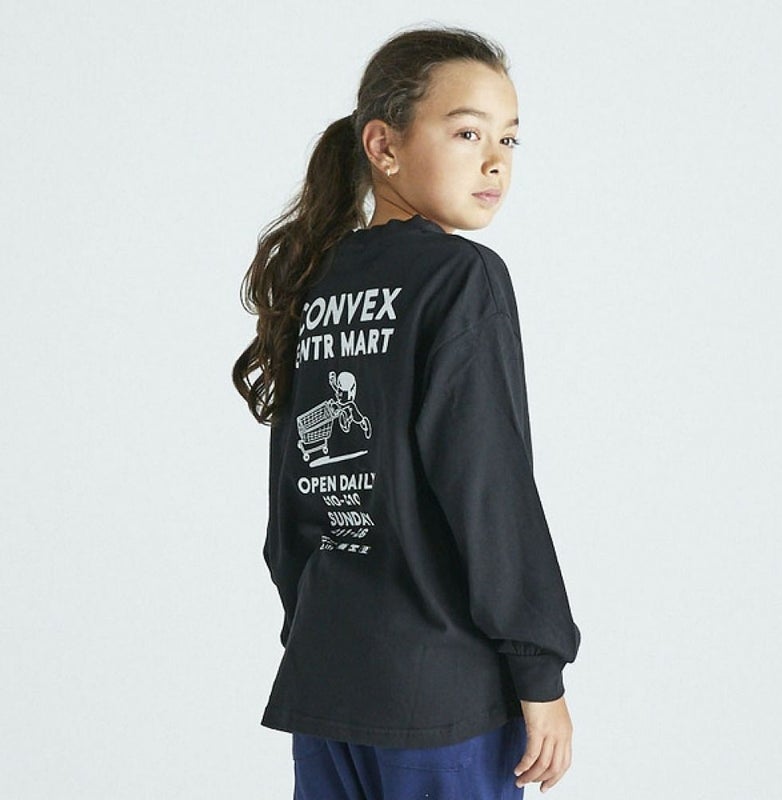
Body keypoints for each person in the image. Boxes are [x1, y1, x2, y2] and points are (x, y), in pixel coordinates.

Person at [233, 24, 582, 799]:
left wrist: (318, 633)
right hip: (441, 695)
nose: (496, 161)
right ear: (383, 146)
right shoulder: (458, 278)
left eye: (509, 138)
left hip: (329, 683)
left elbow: (292, 501)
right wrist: (539, 669)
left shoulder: (317, 283)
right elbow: (487, 485)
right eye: (467, 132)